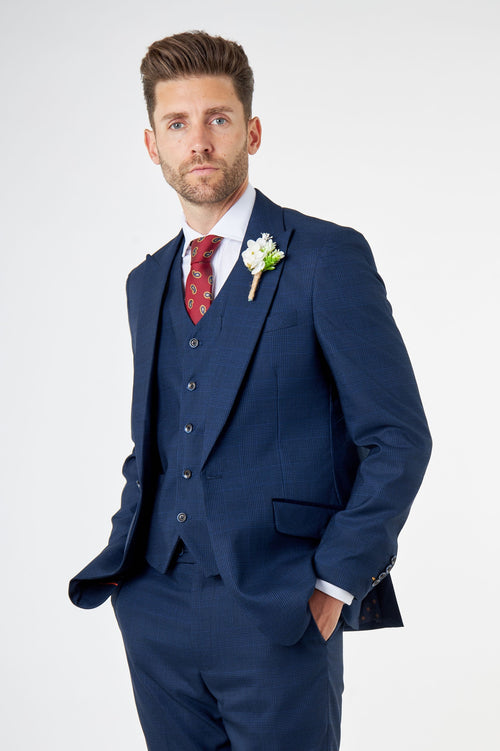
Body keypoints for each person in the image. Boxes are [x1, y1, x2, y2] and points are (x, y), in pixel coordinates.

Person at [69, 30, 432, 751]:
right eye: (178, 124)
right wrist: (126, 569)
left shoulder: (325, 257)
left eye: (218, 118)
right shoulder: (146, 282)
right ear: (153, 146)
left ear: (252, 131)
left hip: (279, 608)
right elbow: (157, 439)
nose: (199, 141)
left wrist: (333, 584)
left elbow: (397, 438)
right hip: (154, 605)